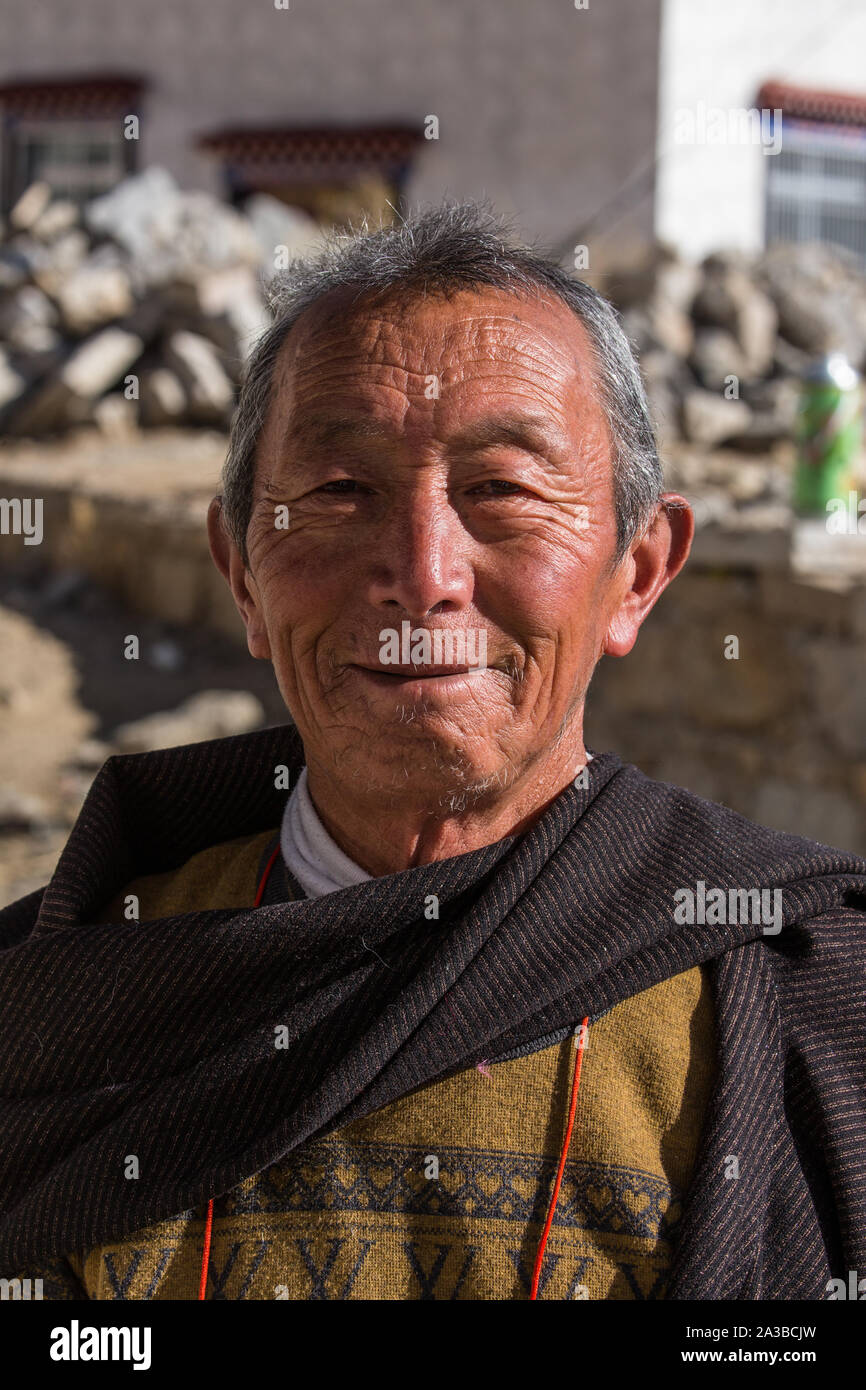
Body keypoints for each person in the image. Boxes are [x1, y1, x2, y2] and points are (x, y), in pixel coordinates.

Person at [1, 203, 864, 1301]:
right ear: (240, 575)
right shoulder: (66, 999)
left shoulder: (802, 1000)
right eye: (339, 491)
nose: (421, 572)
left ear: (637, 573)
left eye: (499, 489)